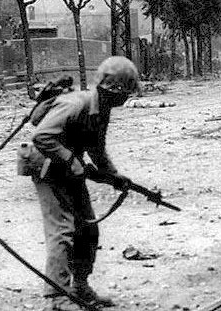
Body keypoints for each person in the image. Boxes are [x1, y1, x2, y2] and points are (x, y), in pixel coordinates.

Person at [31, 56, 140, 311]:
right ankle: (56, 297)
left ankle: (79, 286)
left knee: (88, 227)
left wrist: (114, 176)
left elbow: (97, 150)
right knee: (63, 229)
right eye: (126, 91)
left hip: (67, 167)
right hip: (46, 165)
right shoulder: (76, 104)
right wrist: (71, 159)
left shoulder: (101, 110)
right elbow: (42, 136)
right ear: (114, 89)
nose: (126, 99)